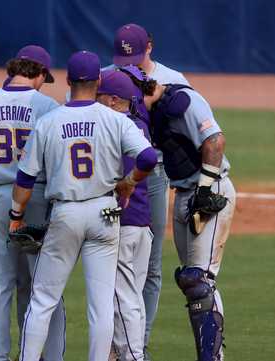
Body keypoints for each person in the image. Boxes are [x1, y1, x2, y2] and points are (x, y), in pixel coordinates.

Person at [9, 50, 157, 361]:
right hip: (105, 214)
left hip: (66, 212)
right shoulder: (115, 119)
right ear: (99, 80)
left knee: (43, 299)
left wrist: (16, 216)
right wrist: (129, 182)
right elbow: (147, 158)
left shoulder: (49, 121)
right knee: (101, 304)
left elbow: (25, 178)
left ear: (67, 80)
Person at [0, 45, 66, 361]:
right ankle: (43, 355)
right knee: (43, 284)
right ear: (37, 73)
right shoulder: (48, 106)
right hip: (37, 198)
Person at [111, 23, 190, 359]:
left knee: (152, 265)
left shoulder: (174, 79)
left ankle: (136, 345)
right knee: (109, 264)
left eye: (137, 54)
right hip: (110, 174)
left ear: (150, 47)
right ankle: (115, 347)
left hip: (155, 172)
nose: (131, 62)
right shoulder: (106, 78)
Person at [145, 81, 236, 361]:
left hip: (208, 190)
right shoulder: (153, 111)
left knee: (199, 280)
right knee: (190, 280)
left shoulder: (181, 101)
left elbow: (215, 141)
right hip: (184, 192)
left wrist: (205, 189)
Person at [96, 68, 154, 361]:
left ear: (113, 100)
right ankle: (129, 352)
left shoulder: (115, 127)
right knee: (133, 295)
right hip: (142, 223)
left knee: (123, 297)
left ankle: (132, 356)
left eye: (99, 97)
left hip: (122, 221)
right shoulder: (138, 125)